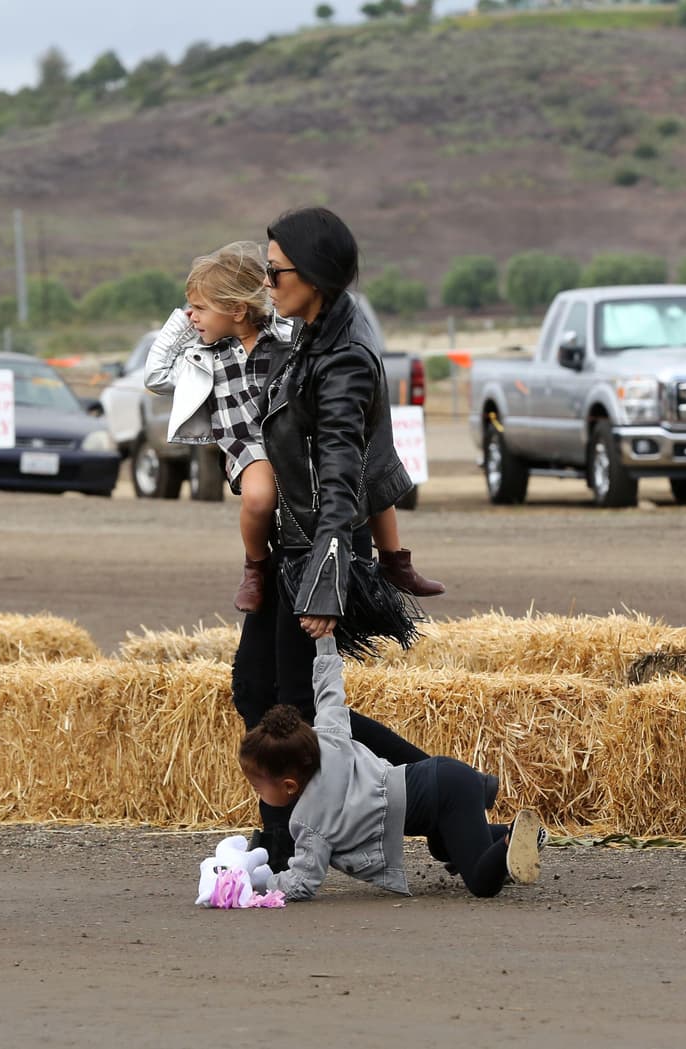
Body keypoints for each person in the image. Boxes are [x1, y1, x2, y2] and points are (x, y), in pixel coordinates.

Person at [232, 206, 448, 870]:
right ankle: (446, 794)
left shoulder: (345, 358)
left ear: (315, 275)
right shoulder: (310, 335)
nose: (267, 282)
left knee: (293, 708)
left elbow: (341, 483)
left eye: (276, 271)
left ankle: (291, 841)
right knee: (255, 688)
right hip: (293, 548)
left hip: (319, 553)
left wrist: (325, 584)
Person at [144, 241, 444, 614]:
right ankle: (256, 566)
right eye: (191, 309)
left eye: (200, 308)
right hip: (248, 445)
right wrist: (182, 320)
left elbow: (315, 330)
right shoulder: (203, 357)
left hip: (294, 436)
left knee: (365, 473)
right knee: (258, 497)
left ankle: (395, 561)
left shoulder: (285, 335)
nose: (193, 317)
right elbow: (156, 375)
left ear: (237, 309)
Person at [239, 637, 545, 902]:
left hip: (446, 794)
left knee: (481, 883)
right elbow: (329, 690)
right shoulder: (328, 738)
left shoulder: (310, 819)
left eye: (258, 787)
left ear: (289, 785)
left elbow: (302, 882)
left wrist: (256, 885)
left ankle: (511, 840)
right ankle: (520, 838)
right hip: (443, 778)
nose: (258, 793)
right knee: (443, 846)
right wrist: (325, 640)